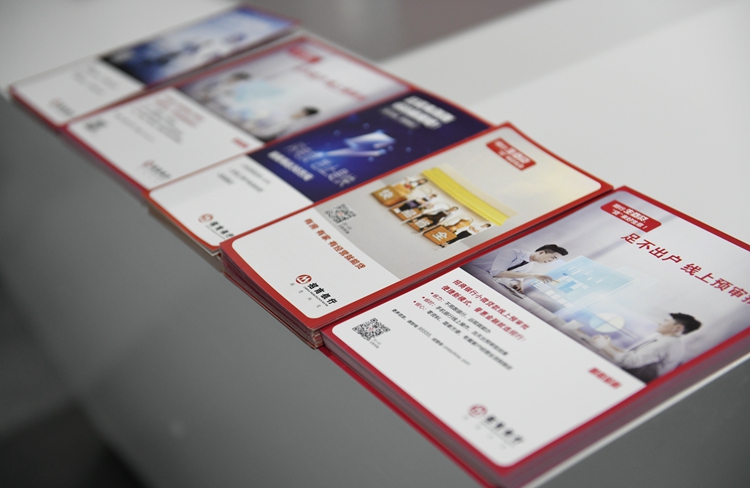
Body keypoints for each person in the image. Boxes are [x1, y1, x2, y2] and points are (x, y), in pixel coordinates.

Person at [592, 313, 701, 382]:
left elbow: (630, 361)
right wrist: (610, 346)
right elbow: (633, 355)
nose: (660, 323)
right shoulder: (673, 343)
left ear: (678, 328)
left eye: (666, 321)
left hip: (631, 381)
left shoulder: (666, 344)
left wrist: (604, 346)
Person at [464, 244, 568, 293]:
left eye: (555, 260)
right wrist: (534, 275)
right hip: (469, 272)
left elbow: (515, 277)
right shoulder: (512, 252)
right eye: (553, 257)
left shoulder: (529, 265)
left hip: (483, 279)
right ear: (541, 252)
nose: (551, 261)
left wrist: (517, 284)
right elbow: (497, 273)